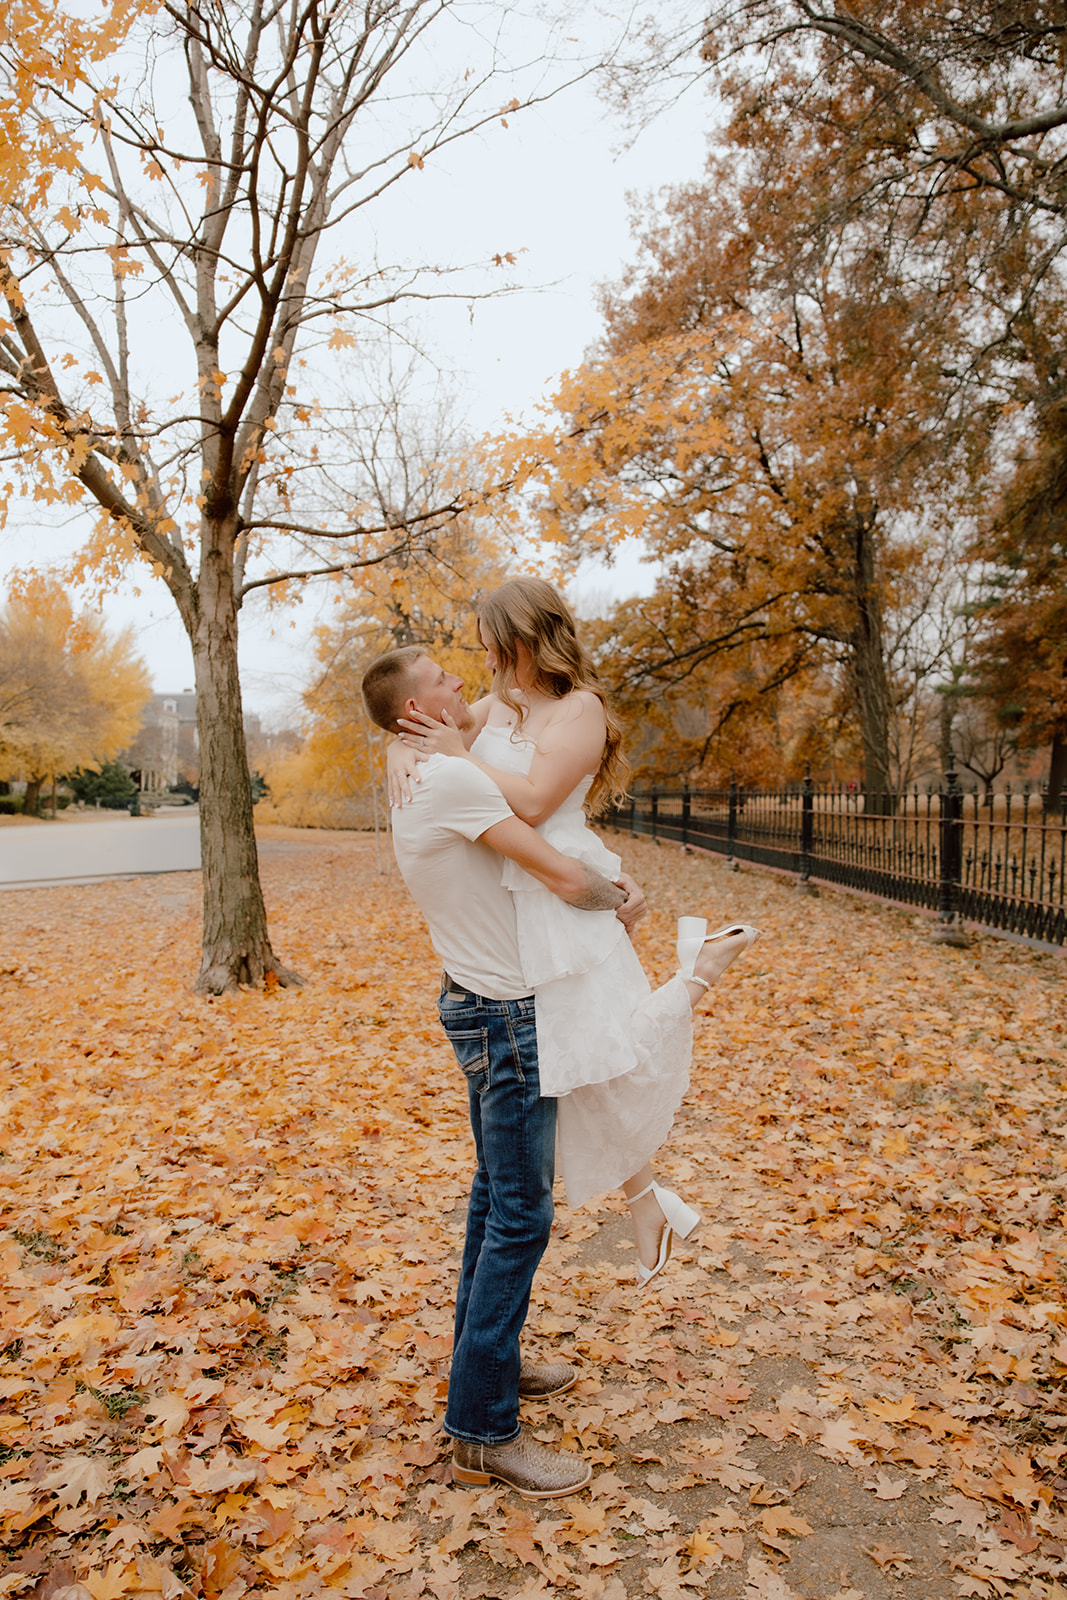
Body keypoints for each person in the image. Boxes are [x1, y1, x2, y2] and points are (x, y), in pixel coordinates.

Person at [389, 576, 760, 1286]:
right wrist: (400, 752)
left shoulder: (578, 710)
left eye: (493, 640)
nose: (484, 654)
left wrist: (455, 755)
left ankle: (701, 969)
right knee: (574, 1063)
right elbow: (423, 734)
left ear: (522, 638)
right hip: (520, 900)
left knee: (606, 1052)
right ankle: (648, 1201)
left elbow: (529, 803)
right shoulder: (503, 703)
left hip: (561, 883)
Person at [361, 643, 649, 1501]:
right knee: (522, 1213)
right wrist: (622, 900)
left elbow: (484, 726)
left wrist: (426, 736)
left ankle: (491, 1366)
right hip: (506, 1016)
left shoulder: (412, 763)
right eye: (442, 680)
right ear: (419, 709)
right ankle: (482, 1431)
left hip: (476, 1001)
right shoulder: (448, 779)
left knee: (496, 1199)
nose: (461, 682)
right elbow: (558, 871)